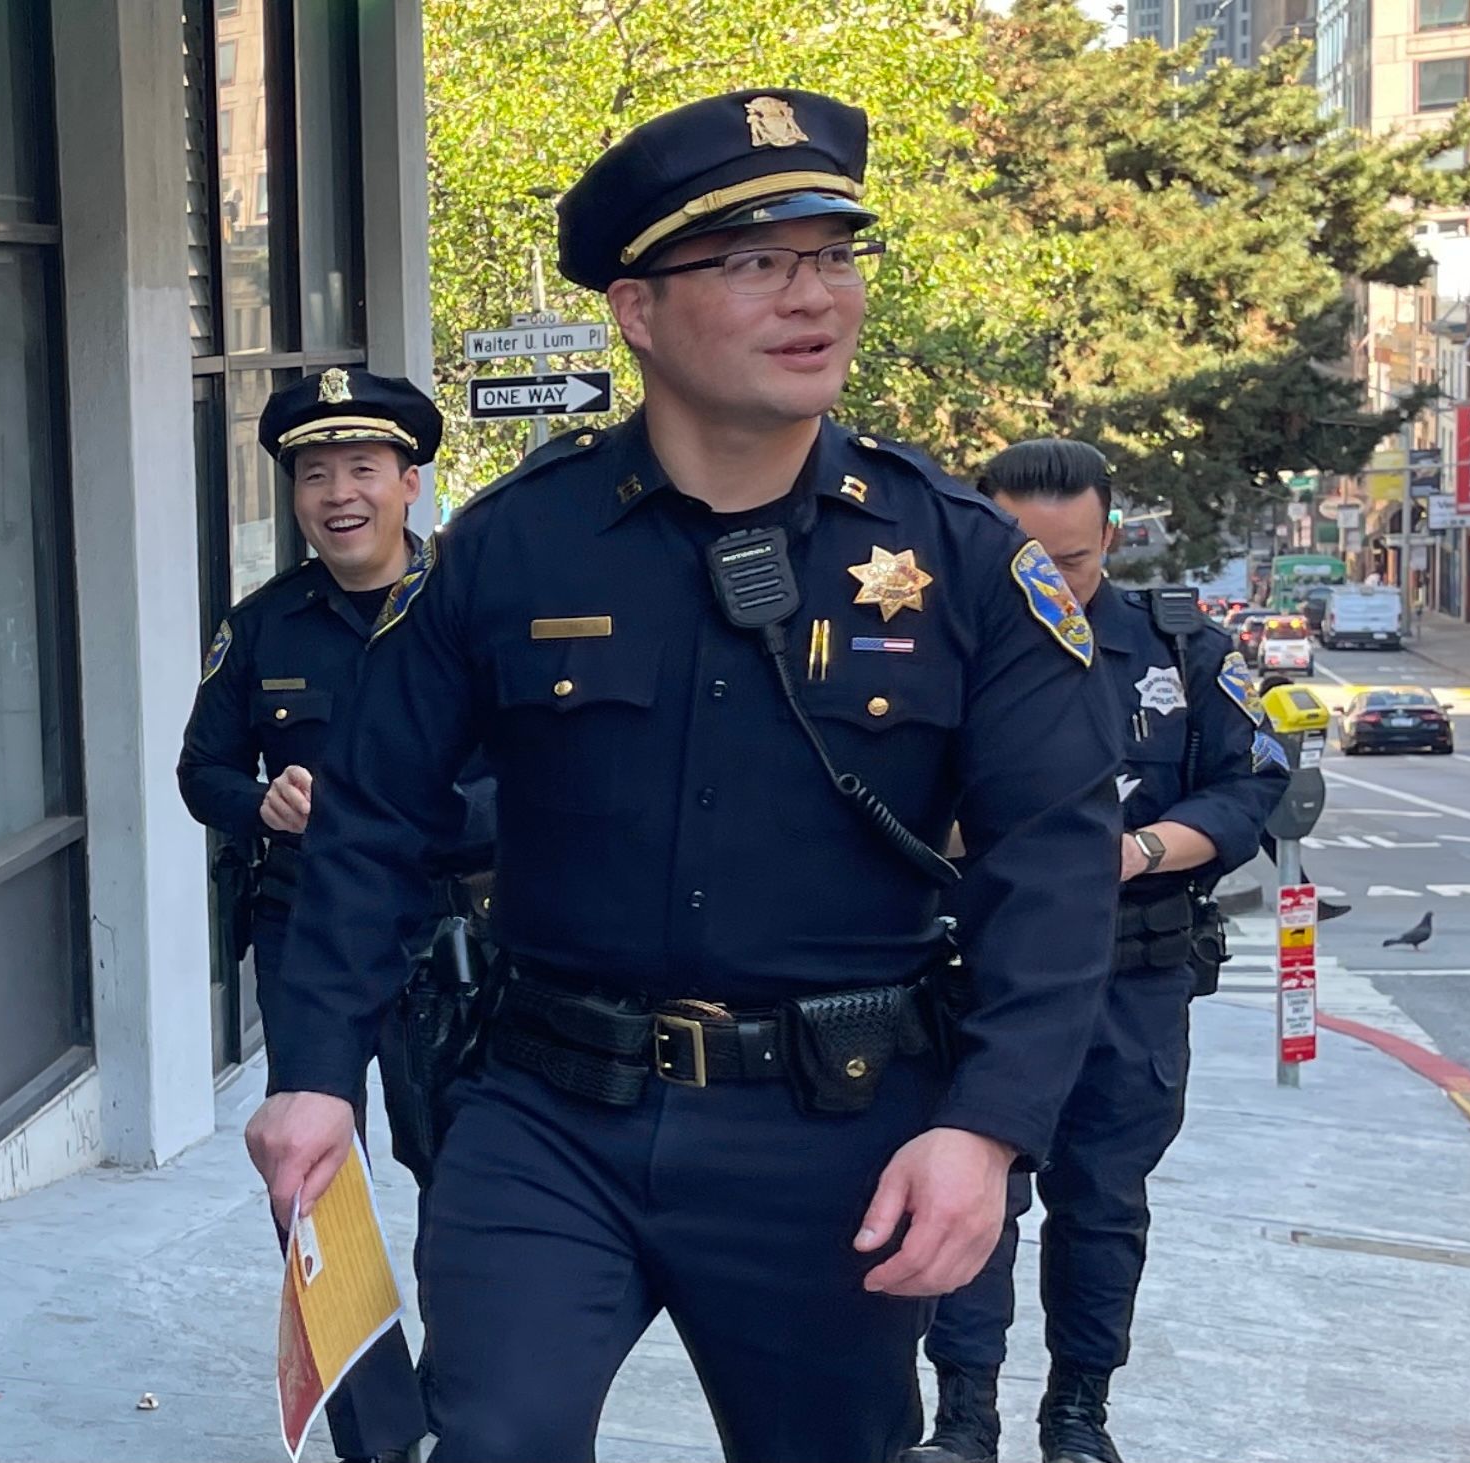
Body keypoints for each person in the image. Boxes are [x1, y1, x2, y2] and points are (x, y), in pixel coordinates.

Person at [244, 89, 1122, 1463]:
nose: (812, 296)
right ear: (638, 311)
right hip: (546, 1111)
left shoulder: (957, 559)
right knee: (492, 1435)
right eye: (756, 261)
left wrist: (989, 1127)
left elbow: (1054, 869)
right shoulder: (513, 546)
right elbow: (371, 820)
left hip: (831, 1131)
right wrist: (313, 1069)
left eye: (833, 255)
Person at [908, 440, 1286, 1463]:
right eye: (1024, 556)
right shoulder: (932, 642)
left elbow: (1257, 783)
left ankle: (1078, 1412)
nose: (1049, 582)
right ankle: (964, 1416)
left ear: (1109, 538)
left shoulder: (1178, 646)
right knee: (974, 1189)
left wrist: (1137, 850)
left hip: (1133, 969)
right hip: (974, 966)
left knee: (1104, 1201)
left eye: (1070, 561)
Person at [178, 367, 488, 1463]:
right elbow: (201, 768)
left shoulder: (474, 608)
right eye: (316, 474)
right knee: (313, 1176)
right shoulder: (262, 627)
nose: (339, 493)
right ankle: (377, 1425)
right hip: (306, 931)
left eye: (363, 468)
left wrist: (420, 812)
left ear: (410, 481)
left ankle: (473, 1395)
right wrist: (259, 799)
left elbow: (542, 779)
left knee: (463, 1167)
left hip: (455, 935)